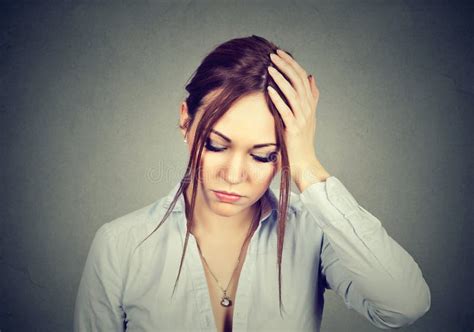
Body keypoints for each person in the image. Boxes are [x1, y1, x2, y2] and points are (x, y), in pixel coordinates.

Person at [73, 35, 431, 332]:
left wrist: (305, 163)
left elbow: (403, 305)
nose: (232, 175)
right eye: (215, 145)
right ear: (185, 121)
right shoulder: (119, 247)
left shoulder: (311, 235)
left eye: (263, 155)